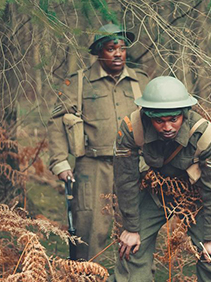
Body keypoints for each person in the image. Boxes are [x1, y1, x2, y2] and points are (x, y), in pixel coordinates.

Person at [47, 24, 149, 262]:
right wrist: (60, 162)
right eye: (111, 48)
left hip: (134, 166)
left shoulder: (140, 81)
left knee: (136, 230)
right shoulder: (79, 82)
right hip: (92, 168)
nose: (118, 54)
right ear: (98, 52)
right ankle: (87, 276)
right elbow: (56, 122)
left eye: (122, 48)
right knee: (90, 231)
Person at [113, 76, 211, 281]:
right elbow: (125, 179)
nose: (167, 127)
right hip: (154, 190)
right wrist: (131, 227)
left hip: (196, 196)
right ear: (149, 117)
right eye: (159, 121)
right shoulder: (132, 128)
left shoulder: (205, 135)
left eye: (173, 119)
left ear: (184, 115)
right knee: (130, 250)